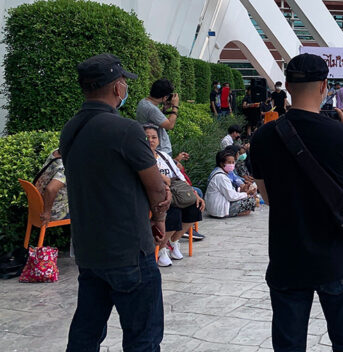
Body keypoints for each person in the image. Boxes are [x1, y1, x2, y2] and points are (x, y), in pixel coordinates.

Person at [249, 53, 343, 351]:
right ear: (324, 86)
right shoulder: (342, 136)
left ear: (288, 86)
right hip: (335, 258)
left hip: (286, 257)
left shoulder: (263, 137)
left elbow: (266, 196)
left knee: (289, 344)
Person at [60, 54, 170, 351]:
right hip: (129, 252)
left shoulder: (70, 129)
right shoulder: (126, 130)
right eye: (124, 83)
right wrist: (159, 219)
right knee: (143, 337)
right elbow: (157, 189)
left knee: (86, 333)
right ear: (117, 88)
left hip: (90, 251)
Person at [144, 125, 204, 267]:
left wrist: (194, 194)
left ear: (158, 140)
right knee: (173, 212)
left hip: (174, 192)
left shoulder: (164, 156)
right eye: (147, 137)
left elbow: (179, 177)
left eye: (154, 137)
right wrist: (161, 178)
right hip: (154, 196)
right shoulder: (141, 158)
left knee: (195, 207)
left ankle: (172, 241)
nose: (151, 140)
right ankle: (162, 249)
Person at [136, 78, 182, 157]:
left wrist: (164, 109)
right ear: (165, 97)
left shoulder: (143, 102)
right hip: (161, 150)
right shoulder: (152, 109)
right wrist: (175, 106)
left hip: (151, 147)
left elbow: (153, 118)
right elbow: (170, 125)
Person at [206, 150, 257, 217]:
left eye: (233, 162)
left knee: (246, 198)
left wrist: (241, 190)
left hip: (215, 207)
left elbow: (229, 190)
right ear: (222, 163)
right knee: (250, 200)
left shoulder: (221, 173)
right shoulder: (221, 176)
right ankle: (234, 213)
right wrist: (246, 194)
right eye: (229, 162)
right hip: (218, 209)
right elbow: (231, 196)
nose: (232, 164)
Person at [34, 149, 69, 223]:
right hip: (53, 212)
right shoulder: (66, 165)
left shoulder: (55, 152)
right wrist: (47, 213)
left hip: (36, 205)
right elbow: (51, 189)